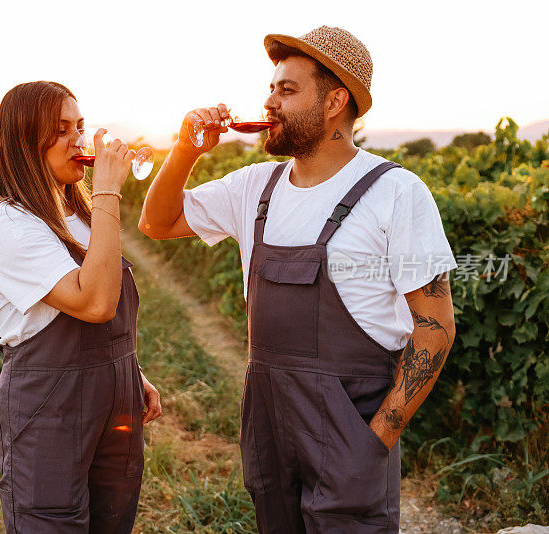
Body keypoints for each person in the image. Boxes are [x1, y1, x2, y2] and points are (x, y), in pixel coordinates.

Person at [139, 26, 456, 533]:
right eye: (271, 89)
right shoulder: (254, 187)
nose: (269, 103)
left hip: (353, 426)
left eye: (286, 91)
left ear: (335, 101)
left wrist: (374, 442)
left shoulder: (396, 192)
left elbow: (436, 327)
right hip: (269, 425)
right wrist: (185, 150)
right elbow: (156, 223)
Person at [0, 81, 161, 533]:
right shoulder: (9, 223)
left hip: (112, 399)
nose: (79, 140)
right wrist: (108, 193)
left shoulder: (76, 212)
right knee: (51, 523)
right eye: (61, 130)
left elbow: (105, 321)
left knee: (111, 522)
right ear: (25, 141)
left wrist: (129, 372)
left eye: (79, 125)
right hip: (49, 409)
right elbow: (94, 302)